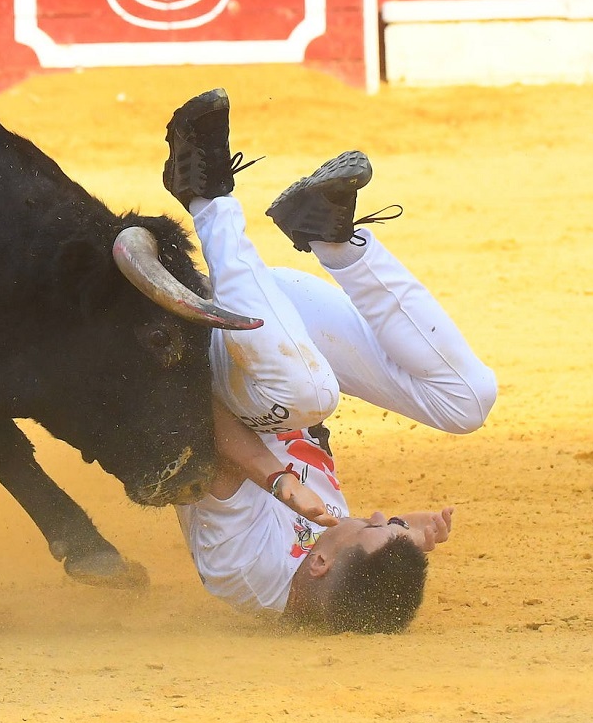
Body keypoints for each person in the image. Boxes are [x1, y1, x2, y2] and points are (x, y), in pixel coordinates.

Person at [163, 89, 497, 634]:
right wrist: (401, 532)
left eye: (369, 526)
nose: (369, 514)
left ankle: (206, 195)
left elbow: (203, 423)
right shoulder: (332, 562)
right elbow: (361, 545)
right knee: (467, 401)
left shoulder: (246, 571)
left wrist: (278, 482)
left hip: (218, 357)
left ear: (318, 564)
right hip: (279, 337)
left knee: (310, 398)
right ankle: (329, 234)